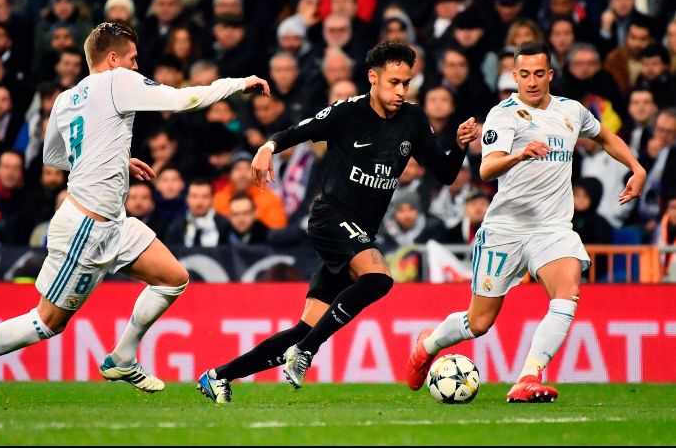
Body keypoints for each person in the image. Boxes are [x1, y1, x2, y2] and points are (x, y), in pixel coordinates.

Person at [0, 21, 270, 405]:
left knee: (173, 278)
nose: (137, 68)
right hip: (85, 229)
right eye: (133, 59)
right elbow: (181, 99)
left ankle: (122, 357)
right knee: (46, 322)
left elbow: (54, 157)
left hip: (115, 224)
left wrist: (117, 160)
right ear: (112, 59)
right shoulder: (116, 82)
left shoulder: (66, 99)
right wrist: (239, 83)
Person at [197, 40, 478, 403]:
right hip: (331, 219)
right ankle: (306, 353)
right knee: (378, 279)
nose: (401, 91)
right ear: (373, 78)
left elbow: (444, 173)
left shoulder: (412, 120)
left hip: (361, 232)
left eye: (406, 83)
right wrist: (267, 148)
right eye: (394, 82)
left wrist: (458, 144)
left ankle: (218, 375)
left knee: (304, 328)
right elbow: (295, 131)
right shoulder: (348, 113)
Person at [405, 42, 647, 403]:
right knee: (479, 323)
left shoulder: (572, 111)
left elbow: (605, 136)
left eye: (538, 74)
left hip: (553, 228)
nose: (531, 82)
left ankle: (528, 376)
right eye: (524, 75)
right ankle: (428, 345)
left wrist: (637, 167)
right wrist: (521, 154)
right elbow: (486, 169)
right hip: (506, 229)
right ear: (514, 76)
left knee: (567, 295)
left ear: (549, 74)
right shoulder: (504, 115)